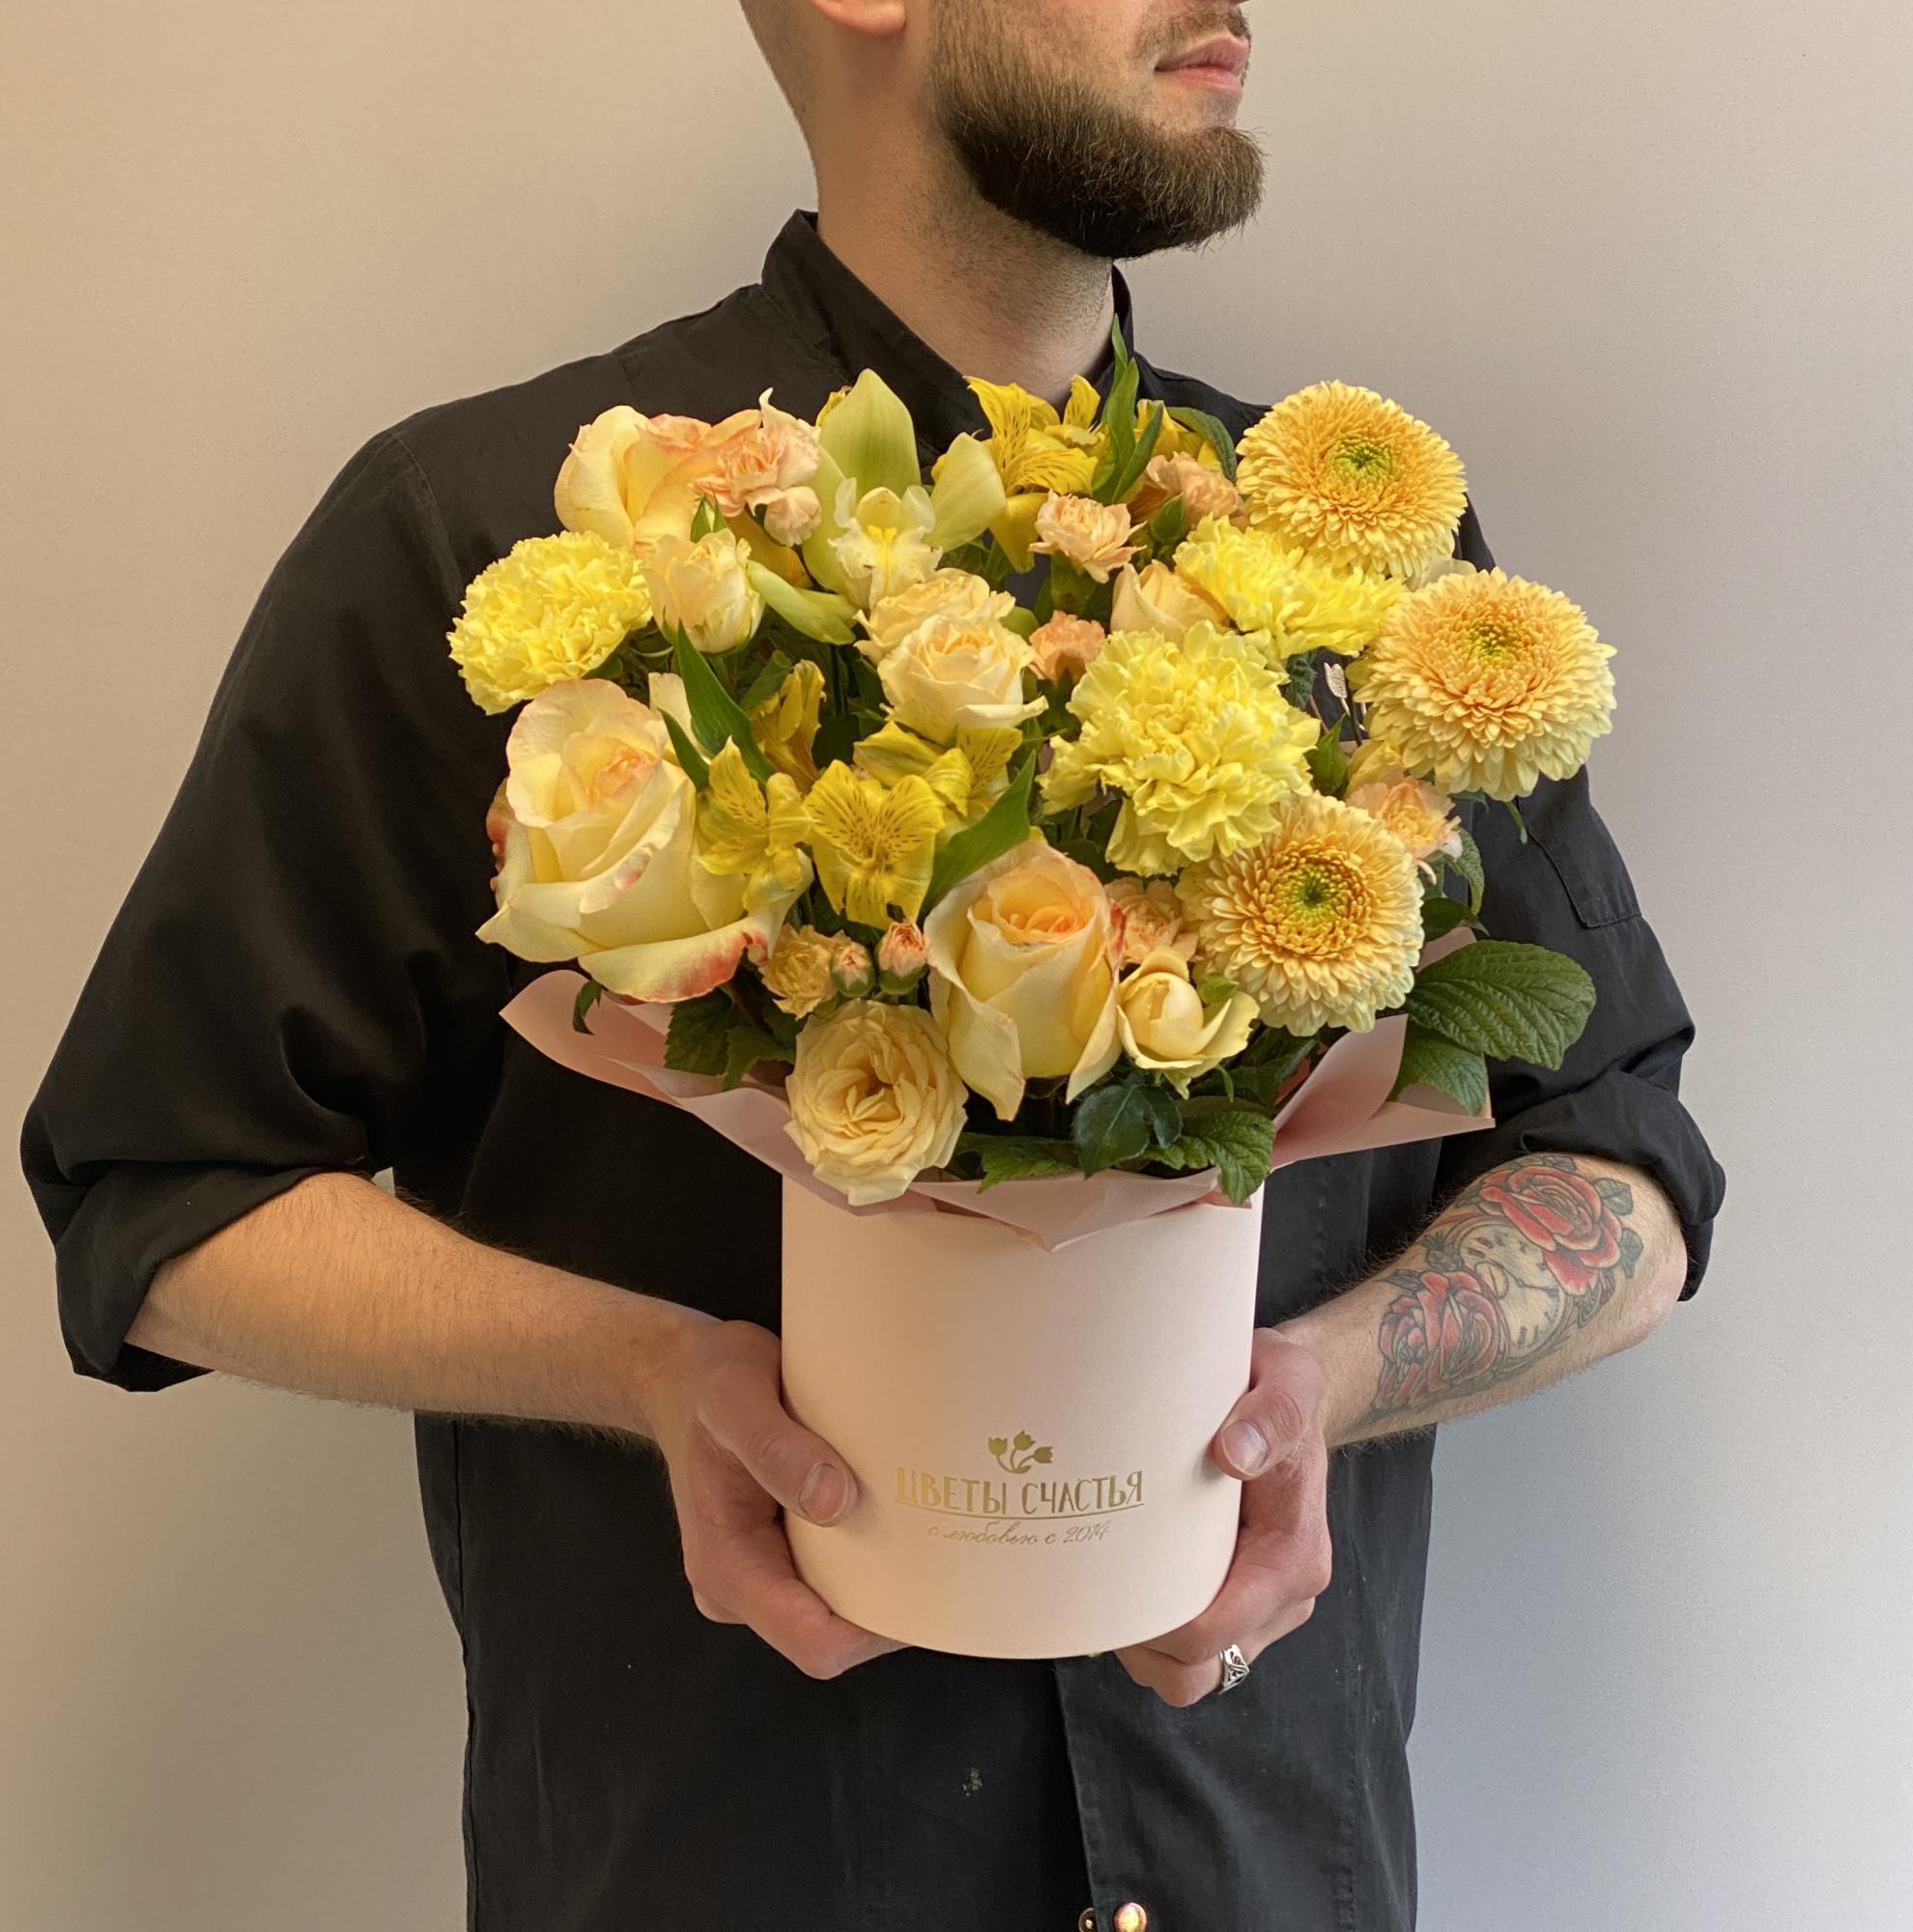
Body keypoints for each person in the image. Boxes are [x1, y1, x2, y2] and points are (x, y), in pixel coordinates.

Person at [20, 4, 1727, 1929]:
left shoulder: (1373, 575)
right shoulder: (506, 545)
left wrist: (1322, 1386)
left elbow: (1621, 1160)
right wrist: (651, 1373)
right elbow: (164, 1192)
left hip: (1265, 1868)